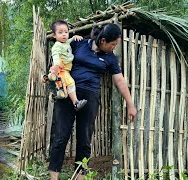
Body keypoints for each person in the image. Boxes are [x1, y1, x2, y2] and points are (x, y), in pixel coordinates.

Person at [48, 23, 137, 180]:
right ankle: (53, 177)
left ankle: (79, 177)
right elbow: (59, 53)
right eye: (113, 44)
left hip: (90, 99)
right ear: (102, 41)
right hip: (68, 95)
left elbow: (120, 81)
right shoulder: (79, 43)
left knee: (84, 139)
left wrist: (130, 104)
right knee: (60, 136)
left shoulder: (110, 58)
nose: (114, 48)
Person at [49, 20, 87, 111]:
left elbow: (68, 42)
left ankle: (57, 94)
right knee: (70, 83)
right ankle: (76, 102)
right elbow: (55, 55)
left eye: (66, 32)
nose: (64, 35)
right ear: (54, 35)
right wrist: (57, 65)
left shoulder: (65, 43)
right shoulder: (57, 46)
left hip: (66, 69)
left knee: (63, 85)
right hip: (63, 69)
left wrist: (74, 37)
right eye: (60, 32)